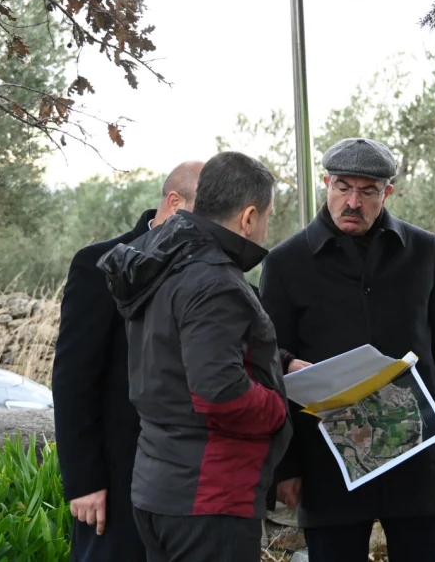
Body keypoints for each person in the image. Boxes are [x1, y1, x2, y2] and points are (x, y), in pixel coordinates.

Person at [259, 137, 435, 562]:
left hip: (416, 453)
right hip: (327, 459)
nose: (352, 201)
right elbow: (270, 365)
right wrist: (285, 467)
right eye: (343, 187)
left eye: (367, 191)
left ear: (387, 193)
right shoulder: (285, 262)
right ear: (326, 184)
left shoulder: (424, 250)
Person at [96, 151, 292, 562]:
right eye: (268, 216)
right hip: (209, 497)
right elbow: (219, 391)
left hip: (160, 486)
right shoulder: (214, 279)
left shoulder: (161, 262)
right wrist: (278, 405)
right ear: (249, 217)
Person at [52, 160, 203, 562]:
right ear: (174, 203)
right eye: (206, 212)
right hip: (118, 481)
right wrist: (84, 481)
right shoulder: (98, 265)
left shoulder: (216, 273)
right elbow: (73, 380)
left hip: (191, 483)